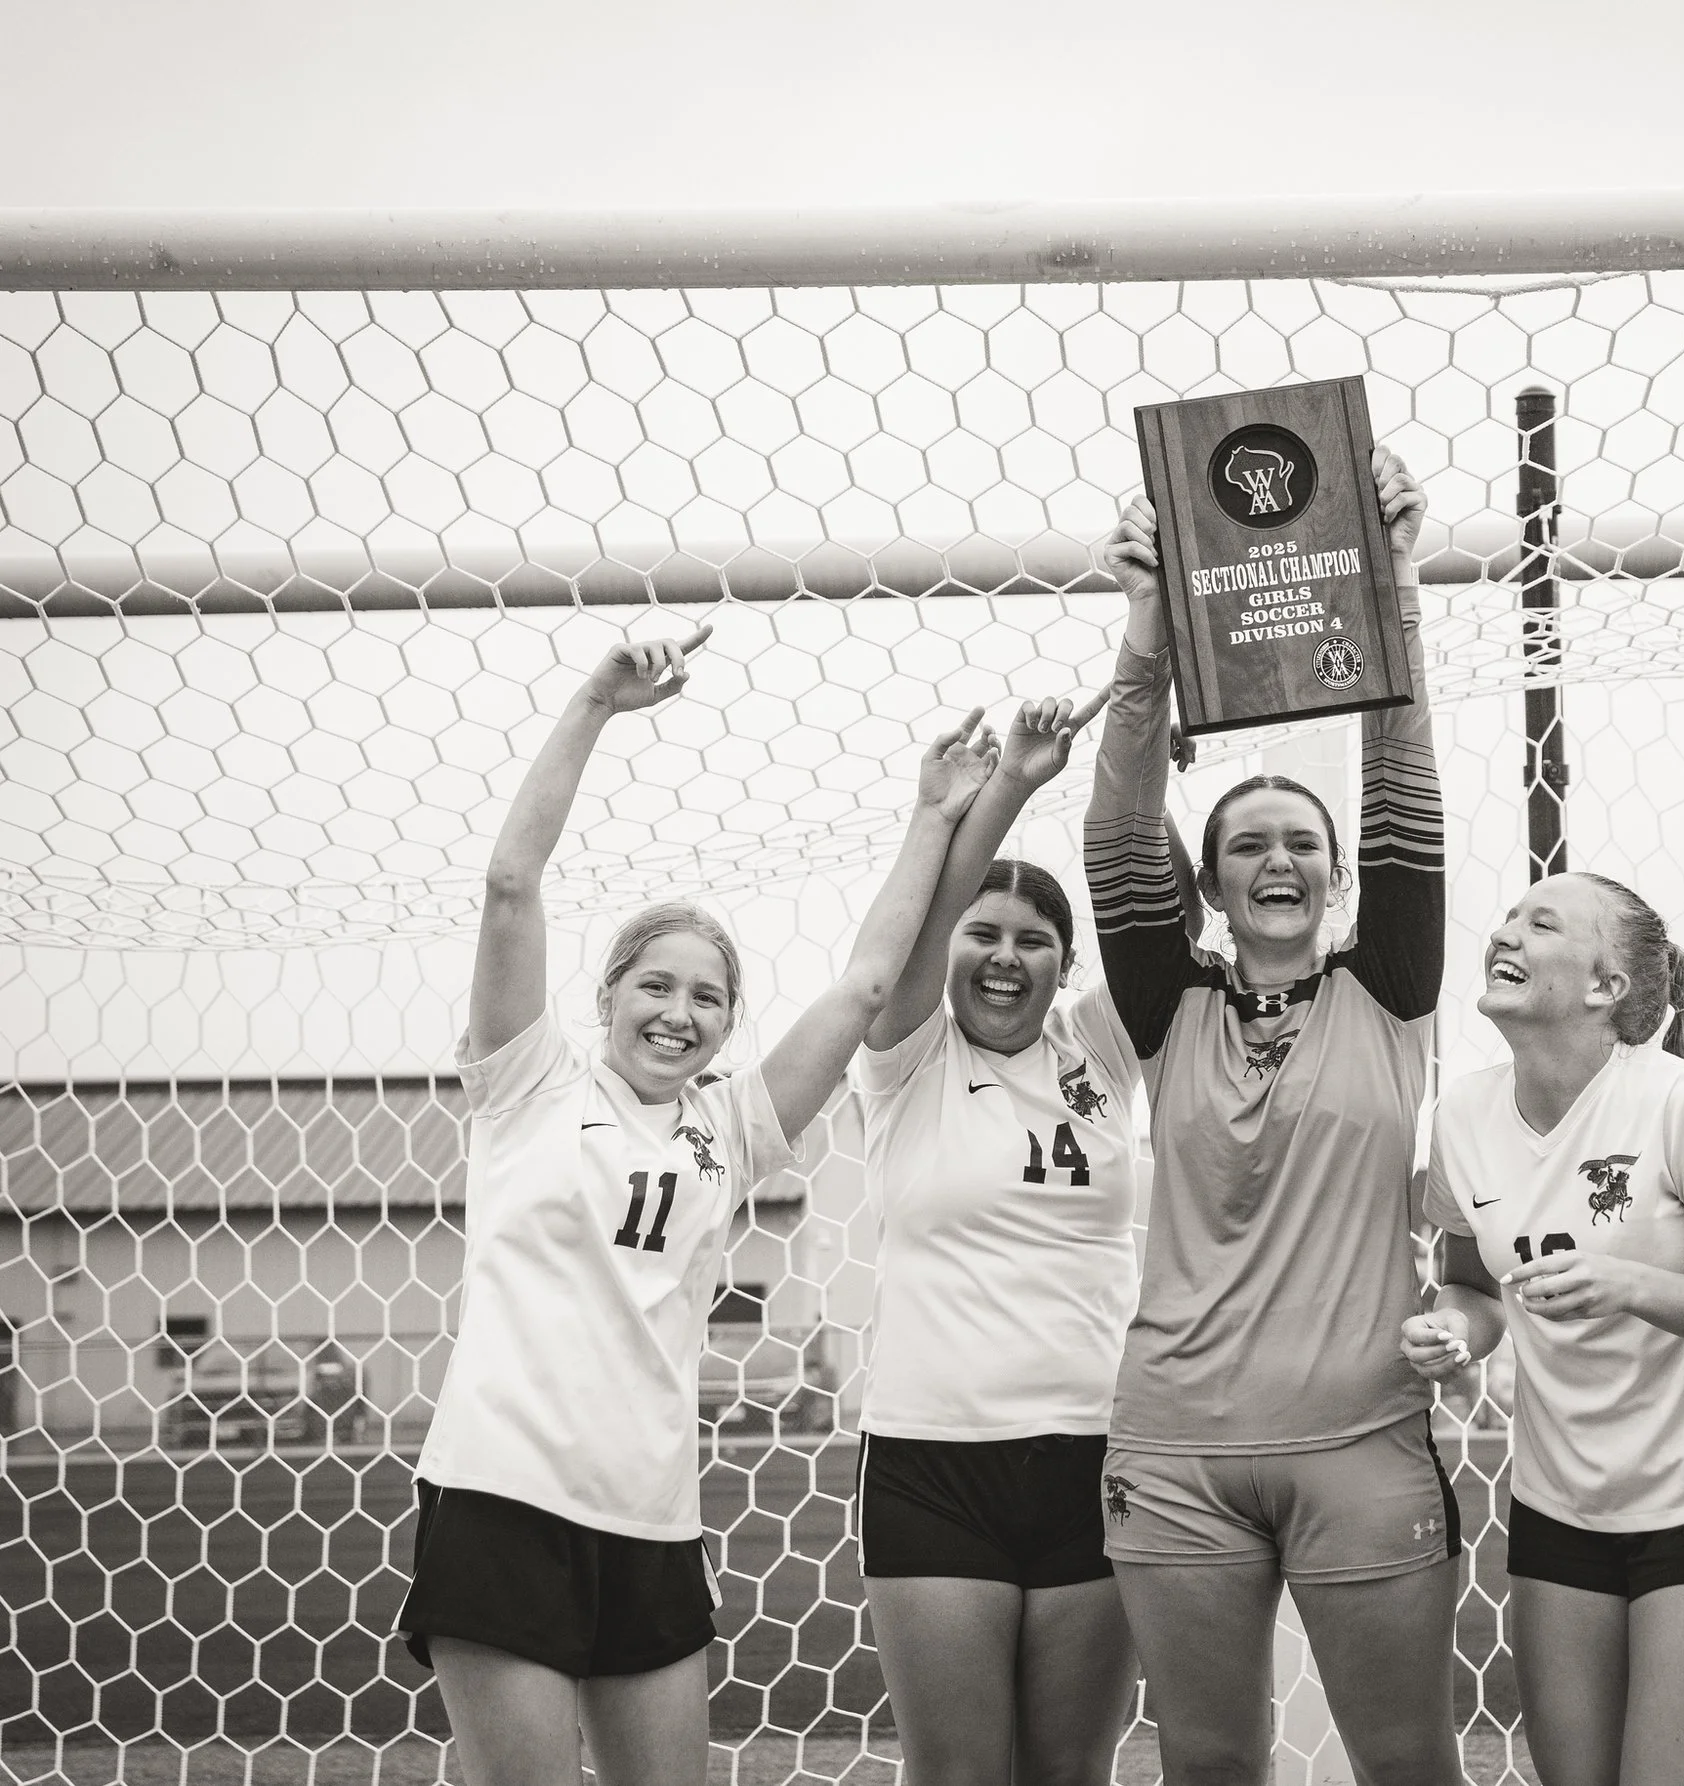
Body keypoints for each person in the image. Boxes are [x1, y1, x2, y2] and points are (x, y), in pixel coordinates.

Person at [398, 623, 998, 1786]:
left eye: (708, 998)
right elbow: (511, 883)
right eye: (656, 985)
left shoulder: (731, 1126)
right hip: (502, 1501)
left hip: (653, 1519)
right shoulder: (528, 1083)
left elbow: (868, 984)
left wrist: (933, 815)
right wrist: (595, 703)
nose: (679, 1013)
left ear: (727, 1023)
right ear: (608, 994)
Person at [1087, 447, 1461, 1786]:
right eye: (1246, 843)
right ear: (1209, 886)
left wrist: (1395, 580)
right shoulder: (1165, 1004)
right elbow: (1116, 827)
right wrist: (1145, 629)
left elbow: (1405, 775)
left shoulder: (1390, 984)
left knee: (1406, 1762)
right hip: (1175, 1450)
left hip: (1362, 1442)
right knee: (1208, 1763)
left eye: (1303, 841)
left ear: (1343, 873)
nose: (1279, 858)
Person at [1404, 872, 1684, 1786]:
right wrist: (1454, 1330)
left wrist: (1628, 1284)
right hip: (1557, 1509)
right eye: (1509, 917)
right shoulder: (1461, 1113)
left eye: (1542, 923)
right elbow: (1473, 1288)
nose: (1506, 933)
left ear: (1606, 987)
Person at [849, 690, 1156, 1786]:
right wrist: (1010, 785)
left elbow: (1157, 917)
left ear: (1065, 965)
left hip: (1096, 1454)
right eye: (983, 934)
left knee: (1067, 1774)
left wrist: (1141, 739)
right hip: (931, 1463)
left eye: (1034, 941)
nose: (1004, 957)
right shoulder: (905, 1059)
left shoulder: (1101, 1052)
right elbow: (921, 925)